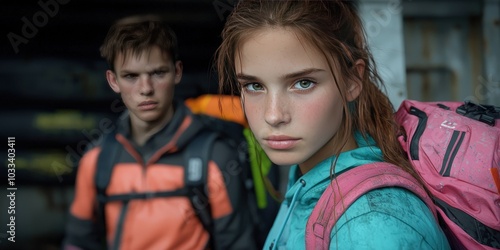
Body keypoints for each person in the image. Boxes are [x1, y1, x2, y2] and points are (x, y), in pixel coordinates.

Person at [215, 1, 451, 249]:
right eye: (254, 86)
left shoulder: (372, 226)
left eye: (303, 83)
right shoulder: (308, 176)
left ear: (352, 80)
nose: (273, 115)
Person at [62, 14, 257, 250]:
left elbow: (238, 245)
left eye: (157, 73)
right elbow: (78, 243)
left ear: (177, 72)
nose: (146, 89)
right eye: (131, 76)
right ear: (113, 81)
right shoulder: (97, 160)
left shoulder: (214, 156)